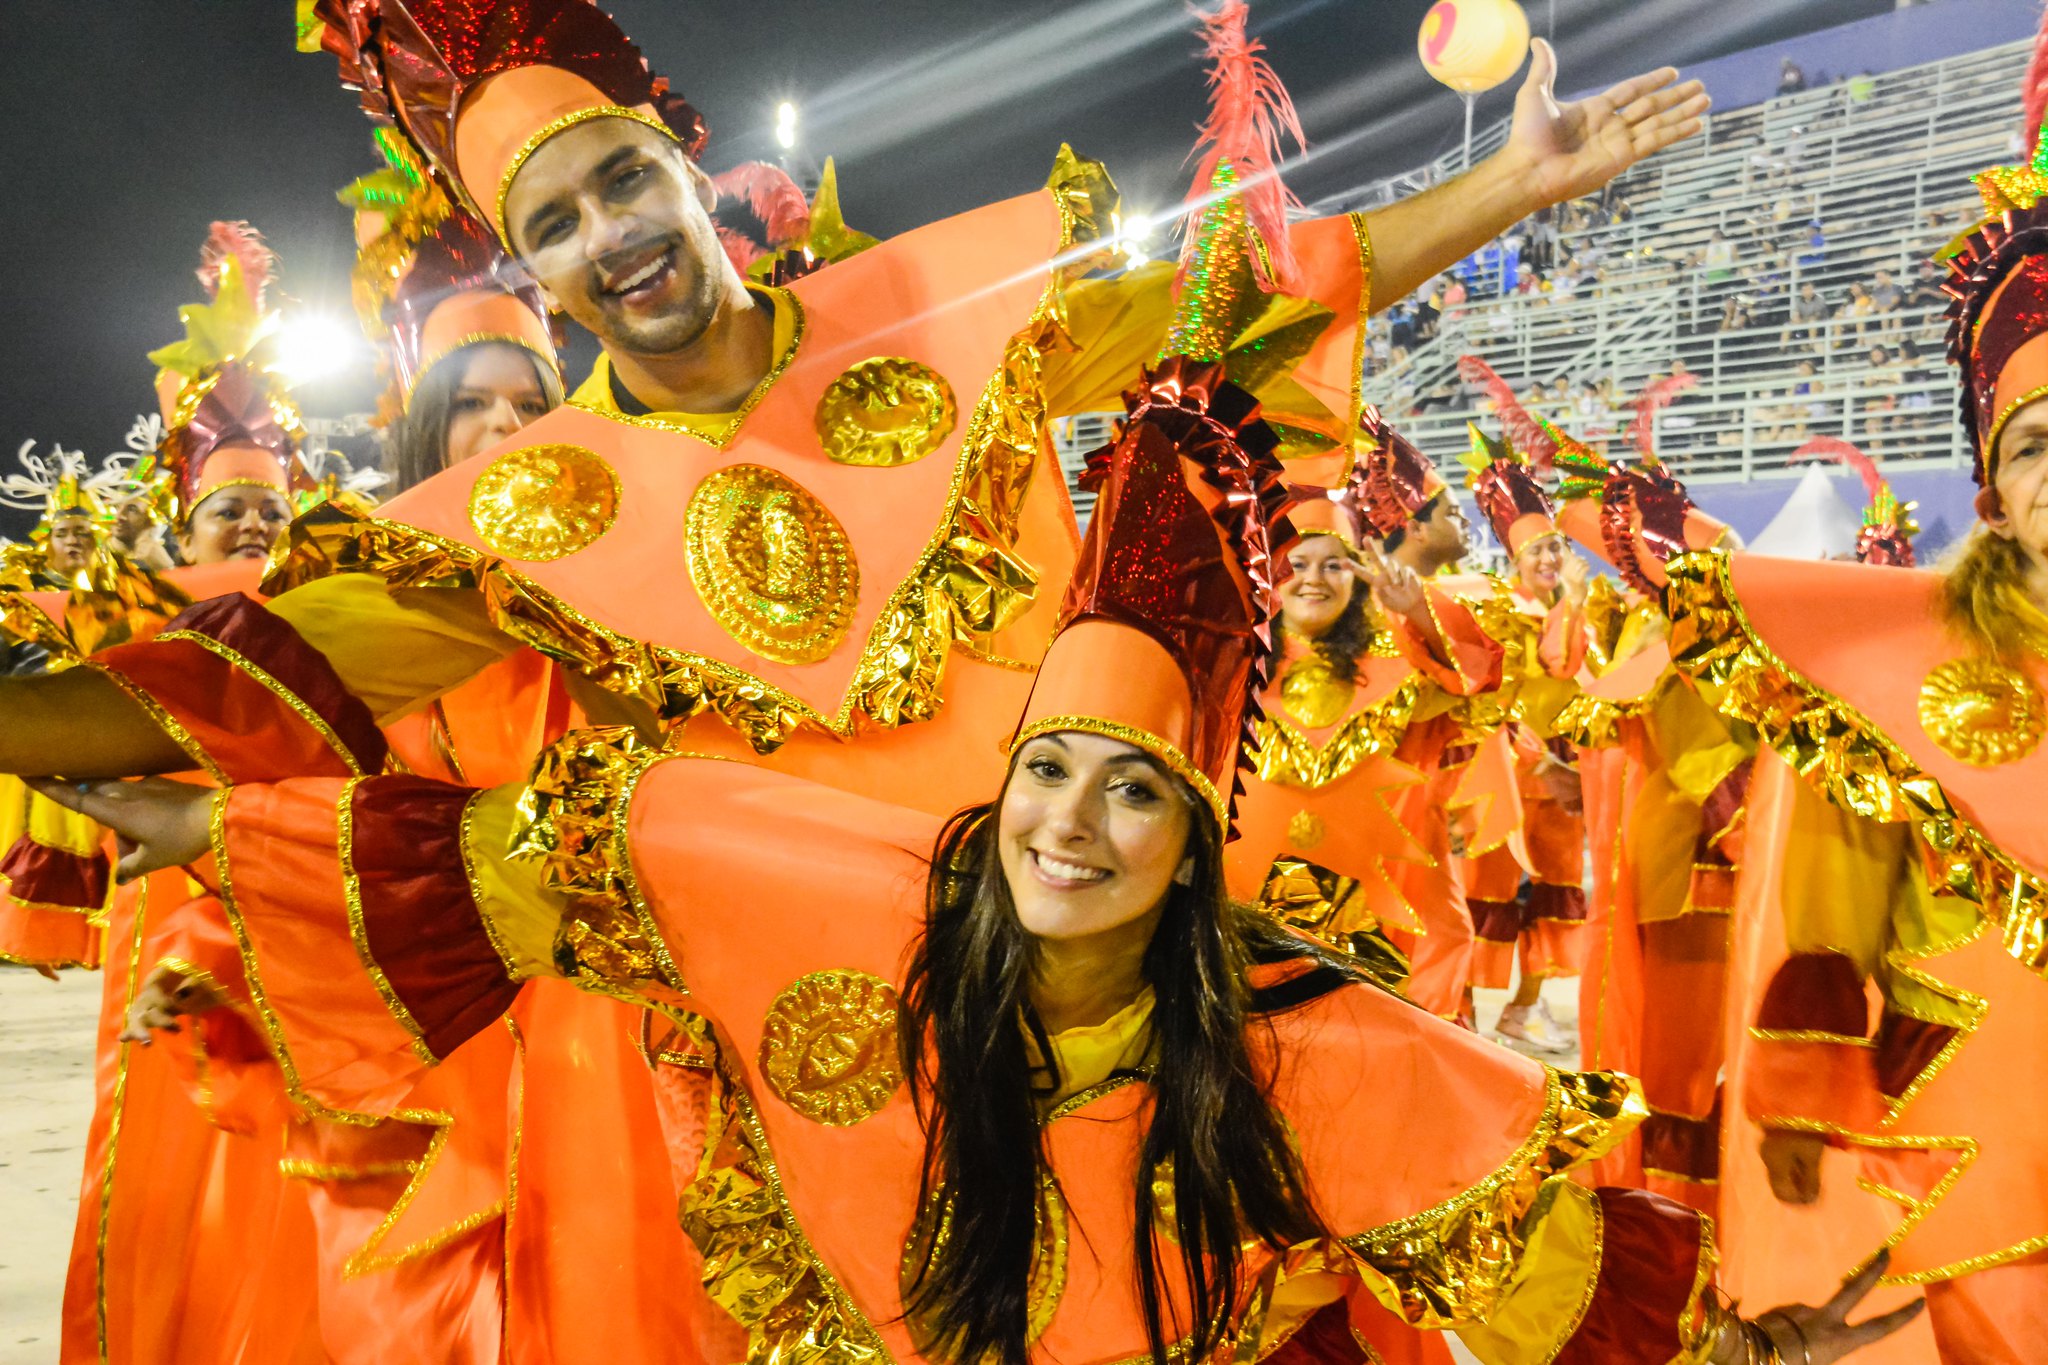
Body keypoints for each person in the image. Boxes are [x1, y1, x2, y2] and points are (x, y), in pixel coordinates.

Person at [45, 334, 1916, 1365]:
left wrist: (1755, 1343)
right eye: (1048, 773)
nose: (1070, 825)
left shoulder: (1302, 1043)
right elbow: (538, 858)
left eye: (1132, 793)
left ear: (1194, 846)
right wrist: (201, 818)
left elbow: (1550, 1264)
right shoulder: (852, 904)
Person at [1656, 65, 2048, 1359]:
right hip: (1975, 1143)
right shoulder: (1893, 657)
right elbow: (1826, 901)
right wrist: (1798, 1099)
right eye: (2035, 443)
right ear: (1990, 486)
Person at [1227, 424, 1506, 1022]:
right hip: (1254, 908)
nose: (1314, 579)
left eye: (1335, 565)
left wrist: (1417, 616)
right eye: (1297, 563)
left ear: (1357, 576)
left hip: (1393, 914)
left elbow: (1476, 680)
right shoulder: (1239, 666)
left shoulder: (1401, 663)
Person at [1457, 423, 1593, 1053]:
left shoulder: (1575, 609)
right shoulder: (1498, 607)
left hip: (1562, 765)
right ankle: (1454, 1002)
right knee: (1481, 890)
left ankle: (1522, 1007)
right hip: (1510, 764)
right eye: (1537, 552)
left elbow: (1580, 678)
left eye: (1556, 550)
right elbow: (1519, 684)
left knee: (1558, 890)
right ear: (1514, 559)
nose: (1548, 561)